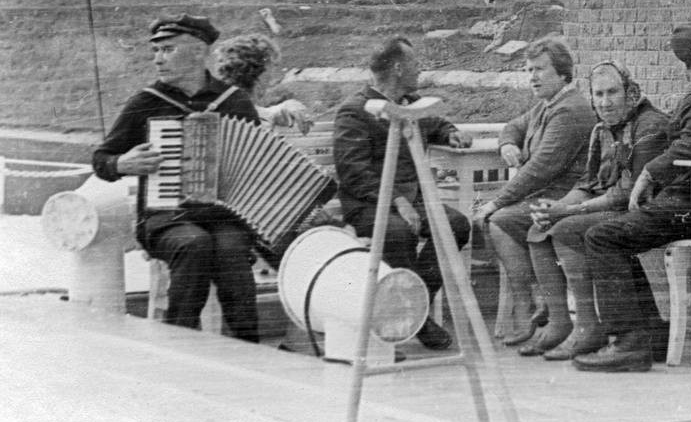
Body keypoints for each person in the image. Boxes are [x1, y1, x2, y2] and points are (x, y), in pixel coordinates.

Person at [574, 23, 691, 373]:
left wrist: (649, 172)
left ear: (684, 58)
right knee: (615, 234)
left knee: (603, 236)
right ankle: (650, 335)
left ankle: (629, 343)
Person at [92, 14, 263, 341]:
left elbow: (257, 164)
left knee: (231, 250)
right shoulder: (147, 102)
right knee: (194, 244)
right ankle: (178, 346)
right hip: (165, 219)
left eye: (167, 50)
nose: (158, 59)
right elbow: (101, 159)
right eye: (155, 51)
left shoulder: (234, 101)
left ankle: (249, 349)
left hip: (223, 217)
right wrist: (122, 163)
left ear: (199, 52)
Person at [333, 36, 472, 350]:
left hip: (410, 202)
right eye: (415, 64)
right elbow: (353, 173)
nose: (420, 71)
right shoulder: (355, 111)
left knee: (456, 225)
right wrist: (398, 202)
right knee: (398, 233)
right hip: (368, 204)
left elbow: (437, 124)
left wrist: (452, 133)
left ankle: (411, 307)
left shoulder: (411, 105)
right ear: (397, 68)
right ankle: (419, 319)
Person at [523, 61, 670, 359]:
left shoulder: (649, 125)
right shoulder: (602, 130)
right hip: (607, 208)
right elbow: (589, 182)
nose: (605, 102)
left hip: (646, 212)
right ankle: (561, 322)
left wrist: (570, 211)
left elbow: (628, 193)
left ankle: (589, 327)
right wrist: (558, 206)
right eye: (599, 94)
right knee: (539, 227)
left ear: (630, 93)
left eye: (613, 92)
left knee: (566, 229)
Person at [473, 37, 596, 347]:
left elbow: (541, 168)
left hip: (566, 198)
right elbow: (513, 125)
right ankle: (536, 302)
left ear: (563, 73)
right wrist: (508, 143)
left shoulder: (570, 110)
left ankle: (530, 304)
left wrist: (496, 201)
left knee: (499, 219)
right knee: (498, 219)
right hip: (544, 196)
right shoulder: (548, 105)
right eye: (529, 70)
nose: (533, 77)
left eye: (540, 69)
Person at [213, 33, 313, 133]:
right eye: (272, 67)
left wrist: (277, 110)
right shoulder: (248, 118)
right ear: (261, 72)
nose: (273, 77)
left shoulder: (216, 107)